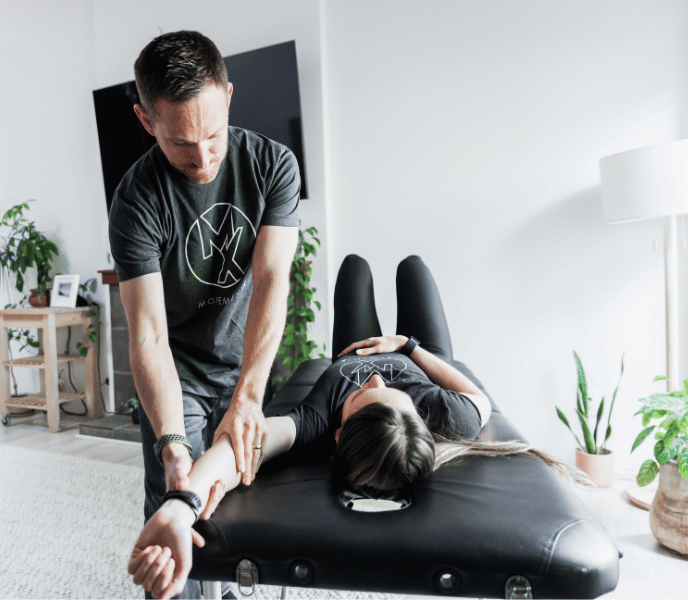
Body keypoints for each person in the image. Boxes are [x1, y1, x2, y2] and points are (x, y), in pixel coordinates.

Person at [127, 255, 592, 598]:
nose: (373, 378)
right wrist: (410, 349)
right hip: (423, 355)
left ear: (337, 429)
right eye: (380, 389)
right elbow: (477, 398)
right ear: (417, 416)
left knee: (353, 271)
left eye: (362, 395)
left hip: (358, 347)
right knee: (413, 269)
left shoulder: (317, 418)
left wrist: (181, 505)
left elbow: (240, 448)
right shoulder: (443, 410)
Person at [107, 30, 300, 599]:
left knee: (253, 505)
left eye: (213, 134)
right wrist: (170, 442)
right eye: (181, 143)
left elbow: (271, 280)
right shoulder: (136, 200)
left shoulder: (272, 166)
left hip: (243, 364)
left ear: (229, 96)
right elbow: (146, 336)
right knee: (179, 515)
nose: (204, 157)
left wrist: (249, 394)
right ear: (147, 121)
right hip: (177, 377)